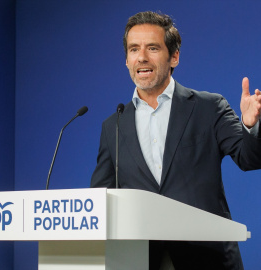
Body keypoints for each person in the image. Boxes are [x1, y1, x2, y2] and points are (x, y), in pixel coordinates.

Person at [90, 11, 261, 270]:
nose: (142, 57)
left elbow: (250, 159)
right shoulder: (113, 125)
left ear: (174, 57)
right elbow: (99, 199)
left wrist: (250, 125)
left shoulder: (209, 107)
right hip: (142, 260)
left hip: (208, 259)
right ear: (126, 60)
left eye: (153, 48)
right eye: (134, 49)